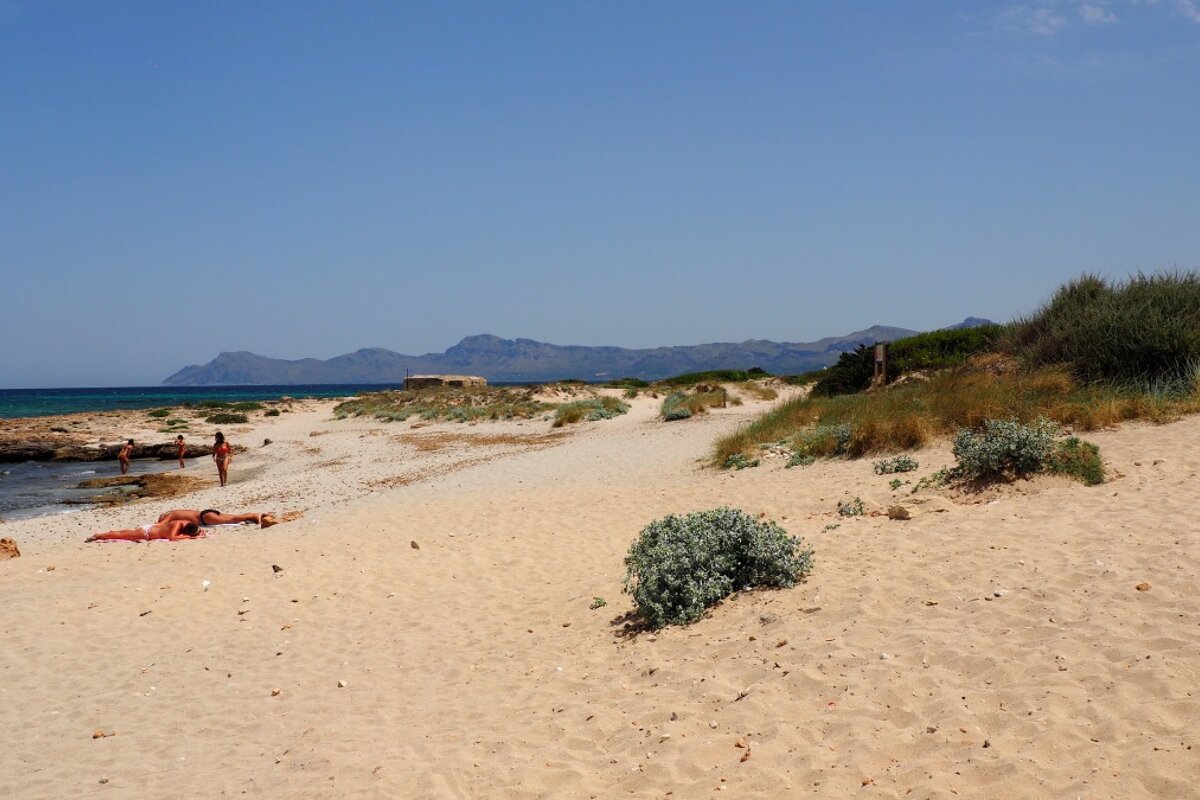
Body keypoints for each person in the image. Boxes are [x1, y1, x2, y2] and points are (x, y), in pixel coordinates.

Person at [86, 520, 204, 543]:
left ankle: (108, 533)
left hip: (149, 529)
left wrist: (197, 534)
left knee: (125, 533)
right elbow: (172, 538)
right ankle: (99, 535)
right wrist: (189, 537)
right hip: (147, 532)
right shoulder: (178, 525)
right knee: (123, 535)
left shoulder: (184, 523)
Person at [157, 509, 278, 528]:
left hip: (204, 517)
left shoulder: (170, 515)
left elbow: (162, 524)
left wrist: (153, 525)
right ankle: (261, 515)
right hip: (205, 513)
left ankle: (254, 516)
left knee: (231, 519)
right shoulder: (175, 512)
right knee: (232, 517)